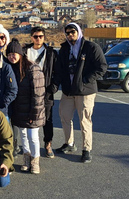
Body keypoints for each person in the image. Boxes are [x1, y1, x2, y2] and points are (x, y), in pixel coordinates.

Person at [55, 23, 107, 163]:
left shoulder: (91, 47)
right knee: (64, 116)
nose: (70, 35)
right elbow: (60, 70)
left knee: (84, 120)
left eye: (72, 32)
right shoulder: (65, 49)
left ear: (78, 32)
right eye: (67, 33)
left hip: (85, 91)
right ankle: (69, 143)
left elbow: (102, 67)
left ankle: (86, 149)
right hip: (68, 90)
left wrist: (85, 80)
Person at [7, 39, 46, 174]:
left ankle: (35, 161)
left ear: (21, 54)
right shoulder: (11, 69)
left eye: (14, 53)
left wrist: (34, 113)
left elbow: (38, 94)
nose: (12, 56)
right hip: (19, 110)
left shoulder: (32, 68)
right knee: (23, 134)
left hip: (32, 110)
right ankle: (26, 159)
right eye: (9, 54)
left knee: (32, 135)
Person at [23, 26, 58, 158]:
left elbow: (57, 72)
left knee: (47, 119)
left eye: (41, 36)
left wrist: (53, 87)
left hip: (46, 91)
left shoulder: (51, 53)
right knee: (28, 118)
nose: (38, 39)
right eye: (35, 36)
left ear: (44, 37)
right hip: (28, 91)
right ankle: (30, 147)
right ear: (31, 37)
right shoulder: (25, 51)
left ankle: (48, 144)